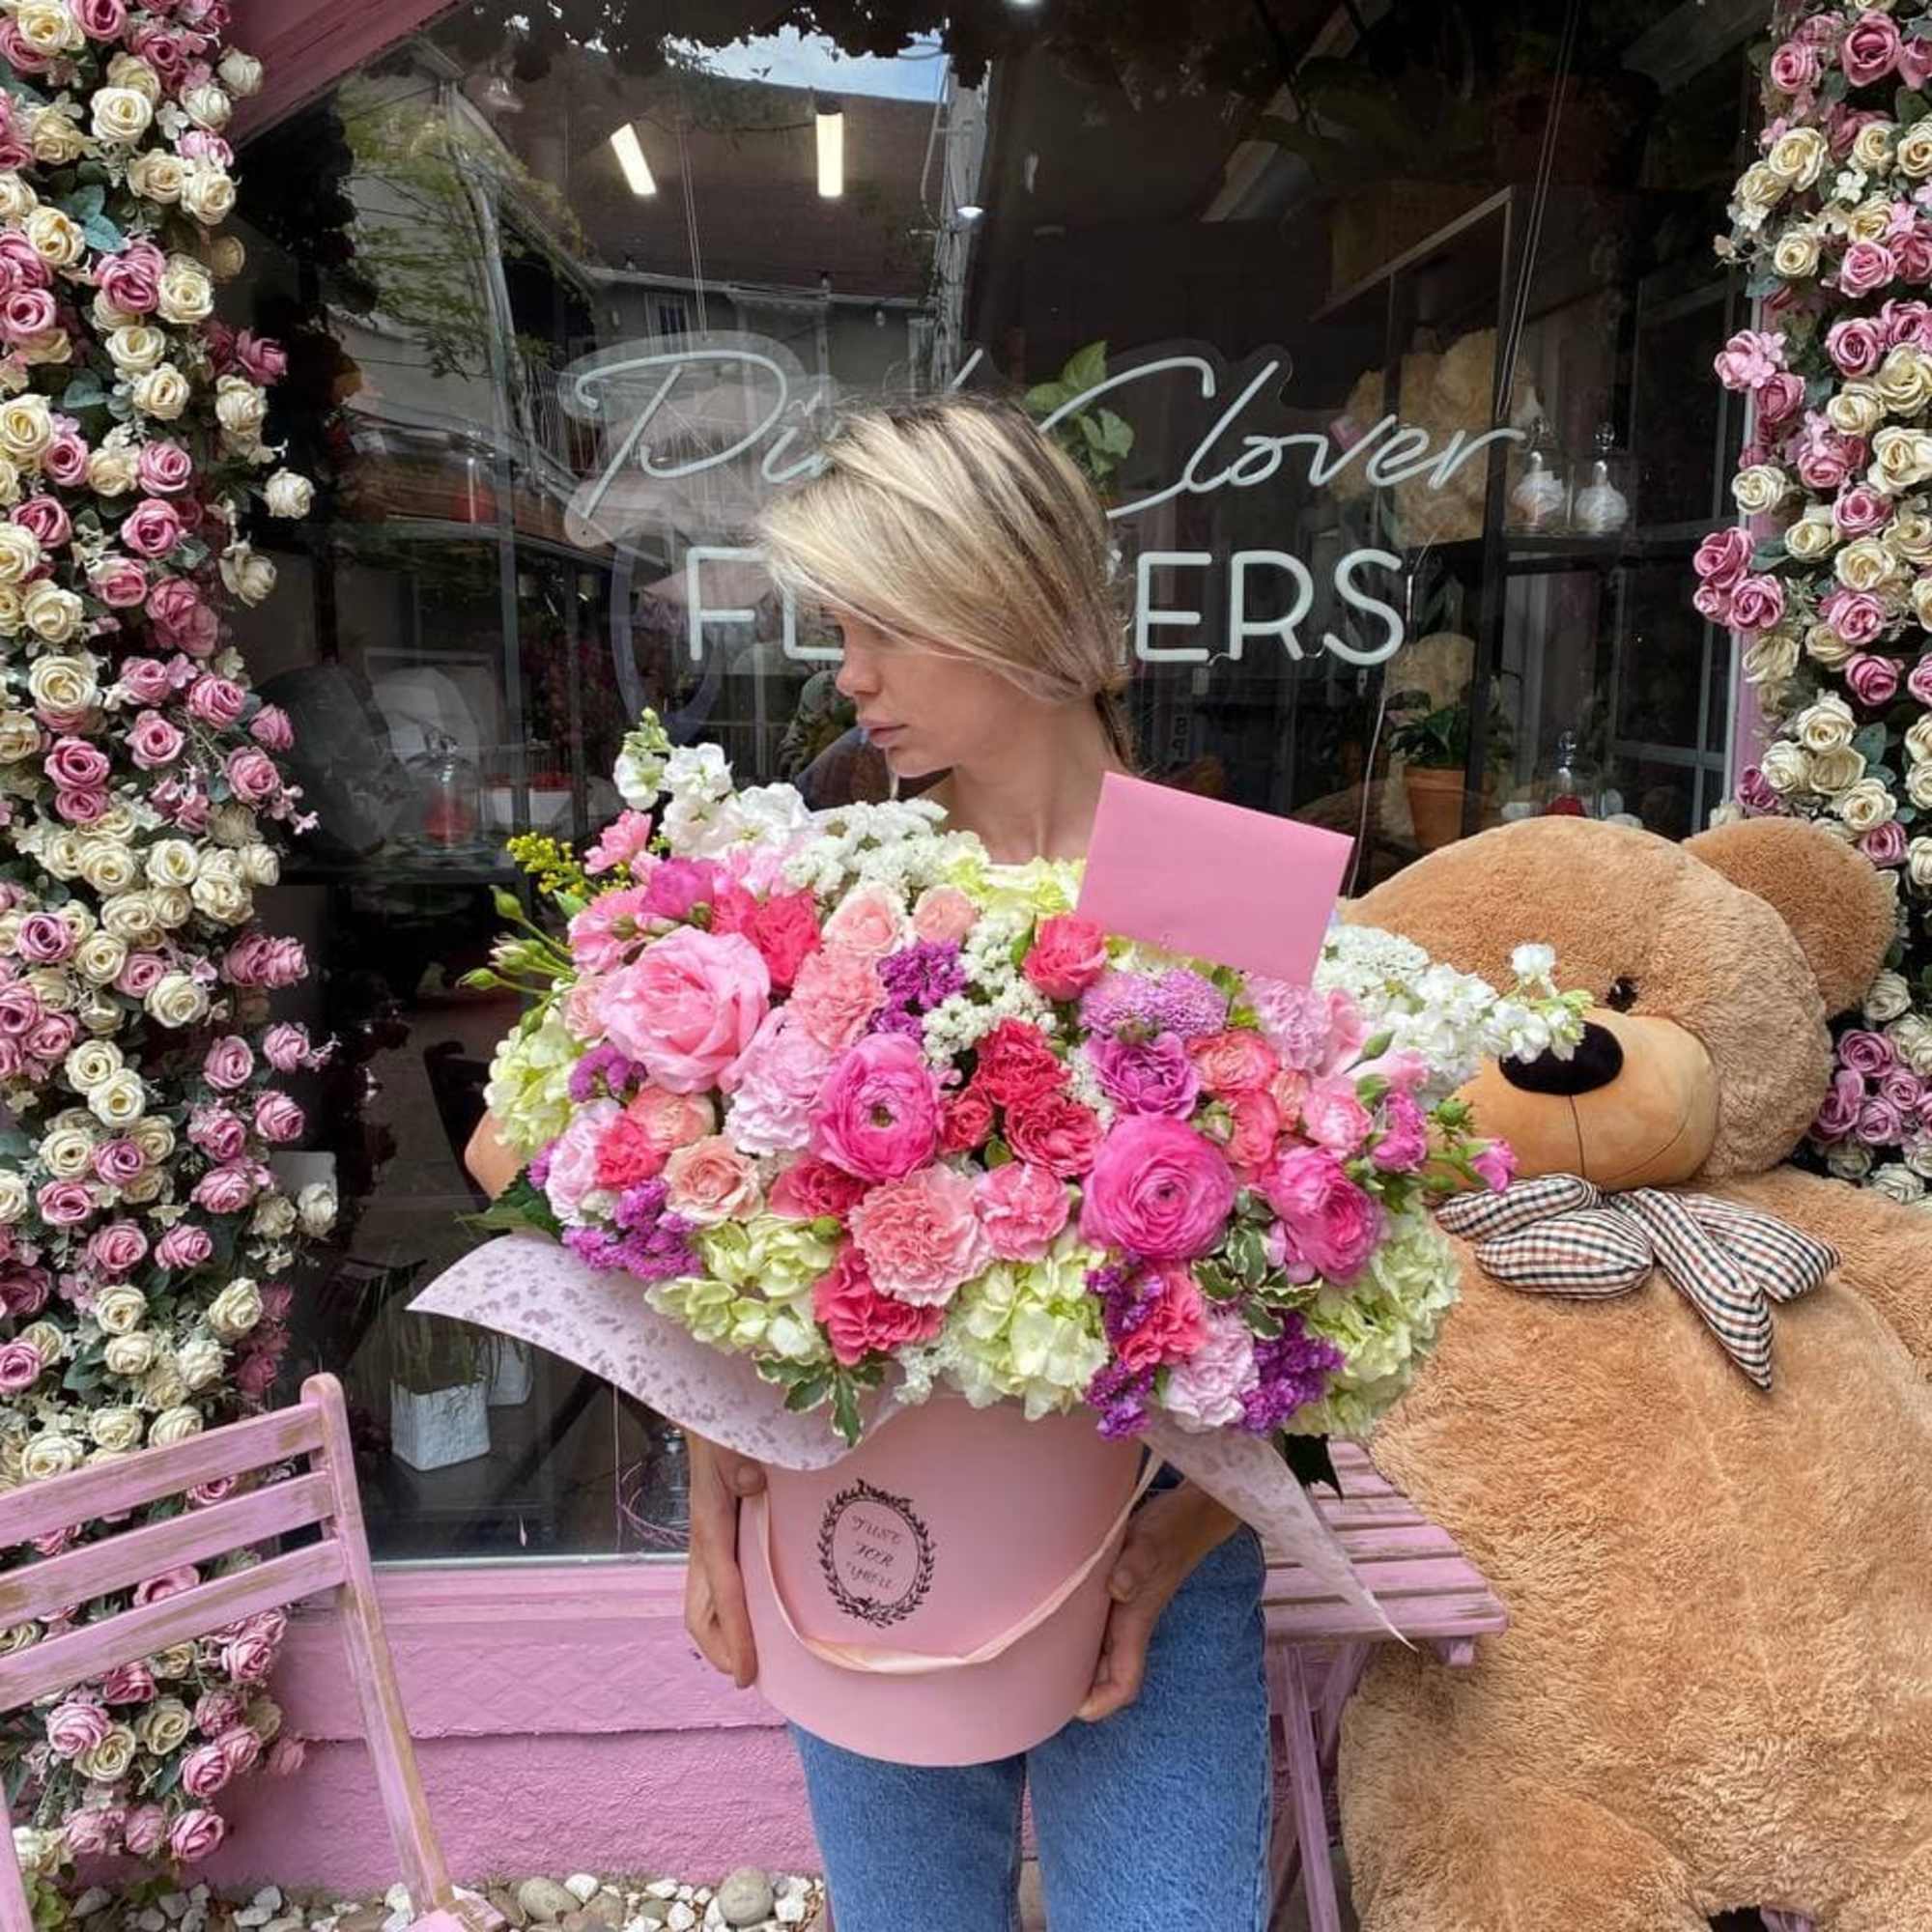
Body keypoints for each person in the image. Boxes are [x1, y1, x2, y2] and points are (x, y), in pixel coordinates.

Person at [685, 394, 1273, 1932]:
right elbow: (696, 1231)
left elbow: (1328, 1281)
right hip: (858, 1522)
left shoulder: (1228, 887)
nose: (850, 676)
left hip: (1156, 1531)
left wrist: (1177, 1541)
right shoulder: (832, 876)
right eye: (840, 628)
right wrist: (710, 1509)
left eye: (884, 627)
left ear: (1008, 607)